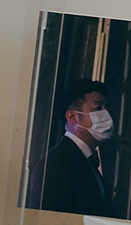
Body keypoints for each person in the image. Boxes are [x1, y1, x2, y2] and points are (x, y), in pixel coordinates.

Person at [25, 79, 115, 216]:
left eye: (106, 108)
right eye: (98, 108)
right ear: (72, 116)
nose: (106, 114)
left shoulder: (88, 161)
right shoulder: (56, 164)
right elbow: (44, 221)